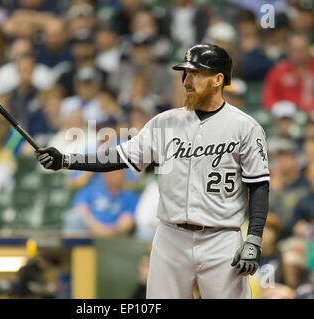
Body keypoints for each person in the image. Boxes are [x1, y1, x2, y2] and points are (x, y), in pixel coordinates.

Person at [35, 44, 270, 299]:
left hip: (222, 237)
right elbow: (120, 156)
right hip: (171, 236)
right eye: (185, 73)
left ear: (218, 79)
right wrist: (68, 160)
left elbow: (258, 185)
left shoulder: (245, 127)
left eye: (195, 73)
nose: (187, 80)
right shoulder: (164, 122)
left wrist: (254, 239)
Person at [262, 33, 314, 112]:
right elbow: (269, 99)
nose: (298, 54)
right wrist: (285, 109)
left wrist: (308, 108)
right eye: (294, 50)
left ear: (308, 49)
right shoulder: (278, 71)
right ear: (289, 51)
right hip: (286, 115)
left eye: (301, 50)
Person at [64, 170, 138, 237]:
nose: (112, 175)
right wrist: (97, 228)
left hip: (115, 238)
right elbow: (80, 209)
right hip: (89, 233)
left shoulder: (130, 197)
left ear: (123, 174)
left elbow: (127, 222)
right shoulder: (91, 190)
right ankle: (69, 250)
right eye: (109, 172)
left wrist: (107, 232)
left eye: (116, 172)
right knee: (74, 217)